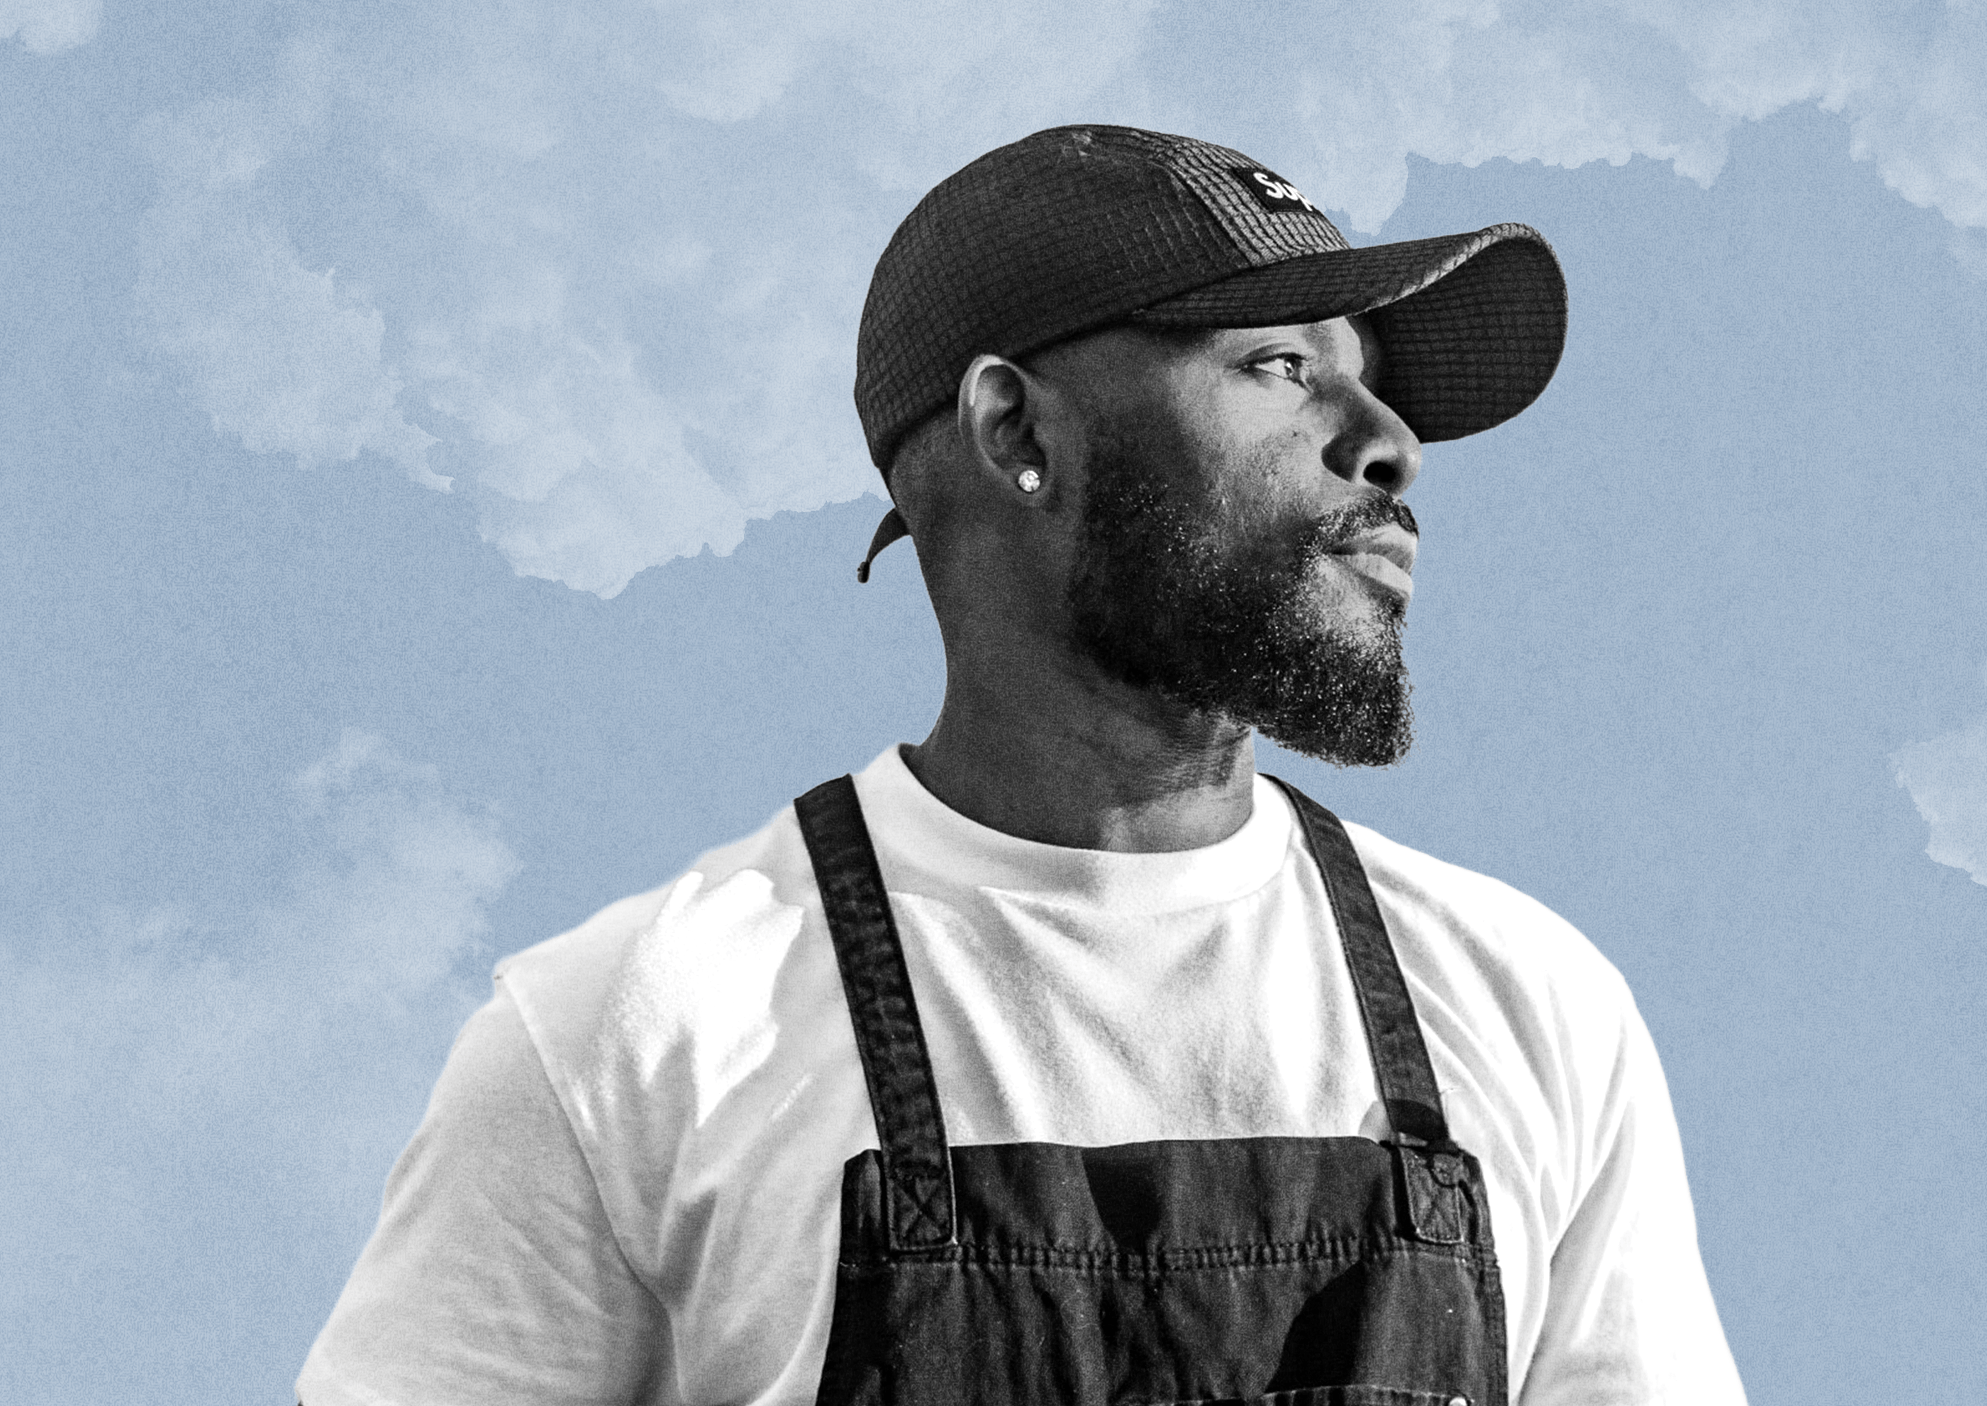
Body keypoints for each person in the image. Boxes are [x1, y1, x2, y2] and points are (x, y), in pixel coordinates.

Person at [297, 124, 1746, 1406]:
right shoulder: (630, 1037)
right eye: (1283, 365)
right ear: (1012, 427)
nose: (1388, 444)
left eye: (1373, 384)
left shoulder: (1532, 1008)